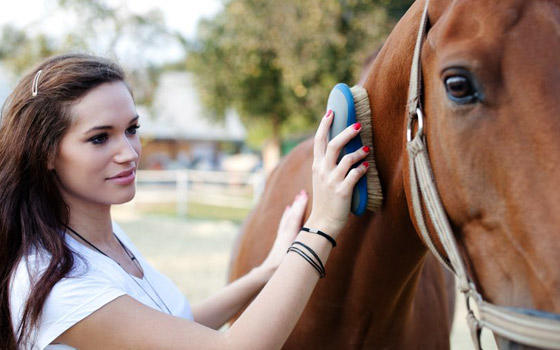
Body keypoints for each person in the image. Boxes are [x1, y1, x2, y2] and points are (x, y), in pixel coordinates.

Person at [0, 53, 370, 349]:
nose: (128, 153)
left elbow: (175, 327)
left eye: (132, 129)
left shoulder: (103, 238)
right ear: (45, 152)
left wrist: (268, 271)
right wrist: (322, 225)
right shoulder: (55, 284)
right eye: (100, 138)